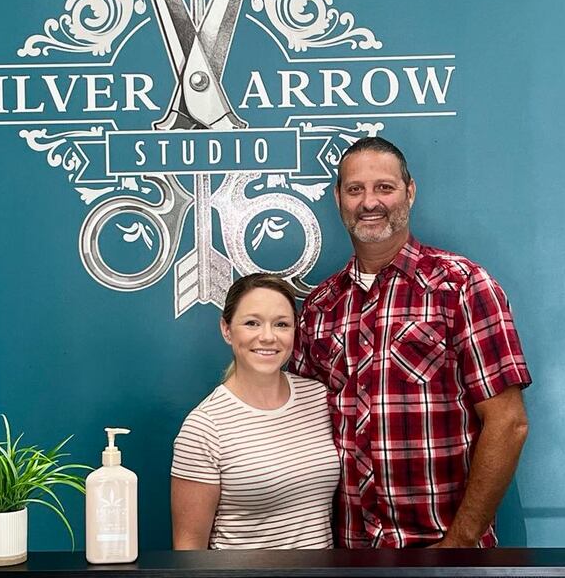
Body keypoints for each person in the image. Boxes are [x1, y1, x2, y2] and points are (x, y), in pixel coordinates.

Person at [291, 136, 531, 549]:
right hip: (348, 555)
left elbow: (508, 423)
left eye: (384, 187)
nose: (370, 202)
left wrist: (459, 544)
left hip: (443, 552)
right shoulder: (319, 306)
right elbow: (298, 431)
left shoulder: (462, 285)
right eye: (355, 189)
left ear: (410, 191)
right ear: (337, 199)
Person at [171, 273, 340, 549]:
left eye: (281, 324)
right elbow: (189, 547)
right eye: (252, 323)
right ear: (226, 329)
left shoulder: (318, 398)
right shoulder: (204, 427)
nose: (268, 337)